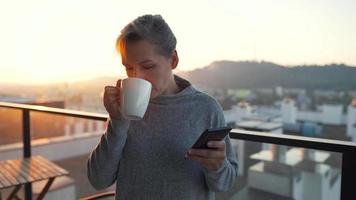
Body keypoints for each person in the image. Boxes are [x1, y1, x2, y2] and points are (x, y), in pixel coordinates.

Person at [87, 14, 238, 200]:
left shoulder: (205, 108)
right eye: (129, 68)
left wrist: (218, 166)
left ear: (173, 60)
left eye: (148, 66)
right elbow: (98, 179)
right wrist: (118, 122)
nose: (137, 77)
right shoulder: (124, 108)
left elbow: (225, 183)